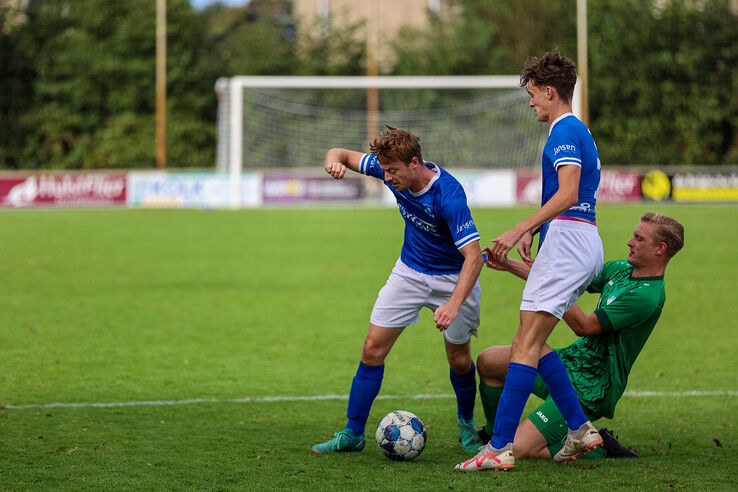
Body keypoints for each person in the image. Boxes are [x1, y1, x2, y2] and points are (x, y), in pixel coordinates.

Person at [455, 212, 685, 470]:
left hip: (592, 386)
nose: (630, 242)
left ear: (660, 249)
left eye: (639, 238)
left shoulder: (647, 297)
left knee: (519, 449)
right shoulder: (622, 269)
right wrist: (508, 265)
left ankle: (600, 447)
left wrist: (553, 293)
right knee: (488, 361)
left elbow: (584, 325)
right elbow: (563, 282)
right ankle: (493, 434)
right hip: (573, 360)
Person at [311, 127, 485, 455]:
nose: (387, 177)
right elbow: (341, 153)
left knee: (459, 360)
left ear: (415, 163)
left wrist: (452, 303)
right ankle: (353, 433)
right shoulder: (387, 166)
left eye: (393, 171)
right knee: (372, 348)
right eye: (385, 170)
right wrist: (332, 162)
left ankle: (466, 426)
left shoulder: (448, 195)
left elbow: (474, 257)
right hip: (409, 272)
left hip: (453, 278)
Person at [480, 50, 605, 470]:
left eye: (534, 94)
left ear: (550, 92)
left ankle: (498, 449)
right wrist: (537, 229)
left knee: (525, 344)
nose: (531, 102)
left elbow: (568, 193)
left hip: (570, 240)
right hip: (578, 239)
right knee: (534, 341)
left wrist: (519, 227)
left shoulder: (564, 131)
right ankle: (578, 428)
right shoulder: (576, 130)